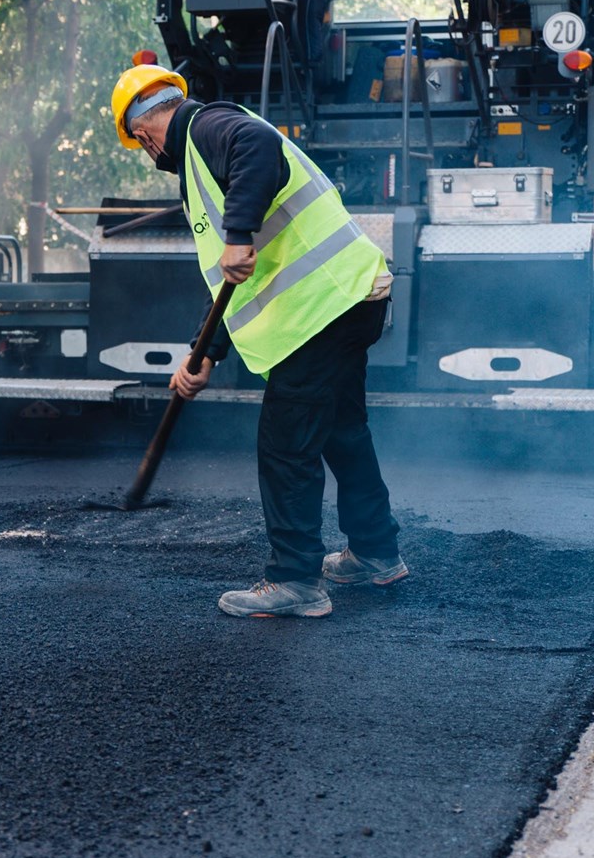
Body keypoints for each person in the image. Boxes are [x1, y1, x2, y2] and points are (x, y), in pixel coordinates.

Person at [111, 62, 407, 619]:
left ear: (144, 133)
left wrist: (239, 234)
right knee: (343, 431)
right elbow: (230, 279)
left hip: (320, 311)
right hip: (349, 298)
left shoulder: (208, 127)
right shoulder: (204, 153)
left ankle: (295, 580)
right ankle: (375, 552)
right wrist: (204, 354)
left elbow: (260, 145)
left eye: (143, 147)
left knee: (285, 445)